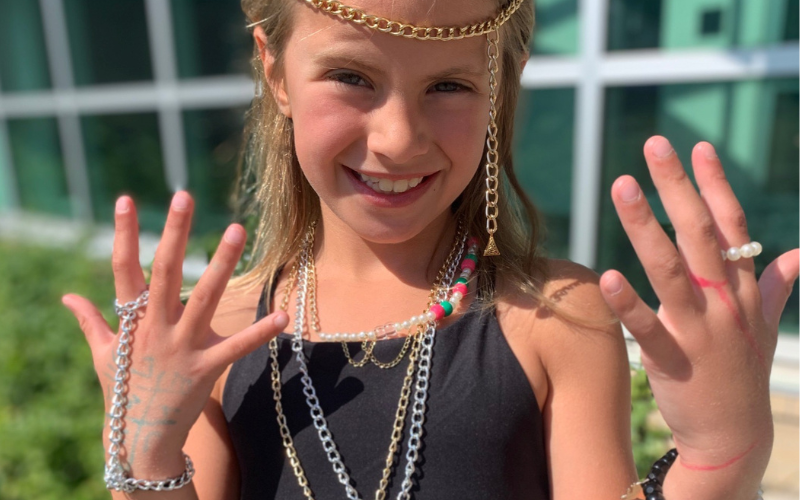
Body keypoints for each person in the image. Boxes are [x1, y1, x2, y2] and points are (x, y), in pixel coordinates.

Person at [61, 0, 799, 498]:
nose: (398, 139)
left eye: (448, 84)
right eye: (352, 77)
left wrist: (718, 453)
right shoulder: (212, 330)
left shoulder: (552, 318)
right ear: (272, 68)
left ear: (499, 86)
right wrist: (146, 458)